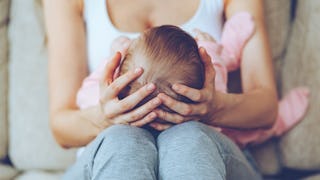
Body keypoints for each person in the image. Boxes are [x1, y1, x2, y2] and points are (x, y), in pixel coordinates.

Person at [43, 0, 286, 179]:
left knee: (188, 138)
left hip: (205, 153)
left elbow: (266, 110)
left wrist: (213, 108)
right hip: (110, 158)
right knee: (123, 140)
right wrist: (103, 118)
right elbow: (61, 127)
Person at [77, 18, 308, 148]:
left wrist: (110, 61)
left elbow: (83, 98)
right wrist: (211, 47)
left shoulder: (114, 97)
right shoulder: (211, 67)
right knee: (246, 134)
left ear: (118, 78)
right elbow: (229, 56)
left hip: (147, 144)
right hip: (208, 133)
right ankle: (283, 119)